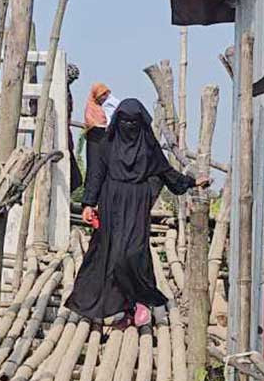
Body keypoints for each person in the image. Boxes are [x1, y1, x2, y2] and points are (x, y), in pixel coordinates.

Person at [66, 98, 211, 327]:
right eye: (124, 121)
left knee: (132, 253)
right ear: (117, 122)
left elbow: (167, 173)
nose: (129, 126)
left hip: (136, 204)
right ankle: (118, 308)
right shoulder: (106, 144)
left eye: (134, 122)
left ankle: (140, 299)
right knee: (109, 254)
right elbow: (95, 175)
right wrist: (88, 204)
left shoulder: (149, 148)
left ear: (141, 123)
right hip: (110, 203)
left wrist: (192, 183)